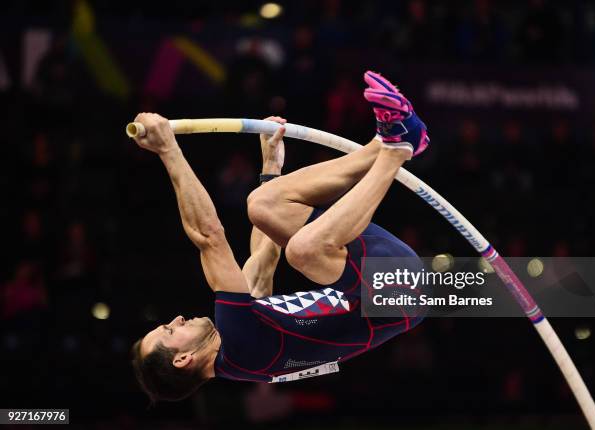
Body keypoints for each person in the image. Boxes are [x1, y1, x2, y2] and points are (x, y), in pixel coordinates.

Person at [131, 71, 430, 402]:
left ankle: (386, 142)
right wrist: (169, 151)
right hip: (397, 295)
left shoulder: (243, 347)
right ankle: (395, 151)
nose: (175, 319)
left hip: (376, 281)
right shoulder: (239, 345)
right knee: (303, 251)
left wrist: (271, 169)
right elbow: (208, 236)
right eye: (170, 331)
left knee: (262, 204)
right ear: (183, 359)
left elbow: (262, 264)